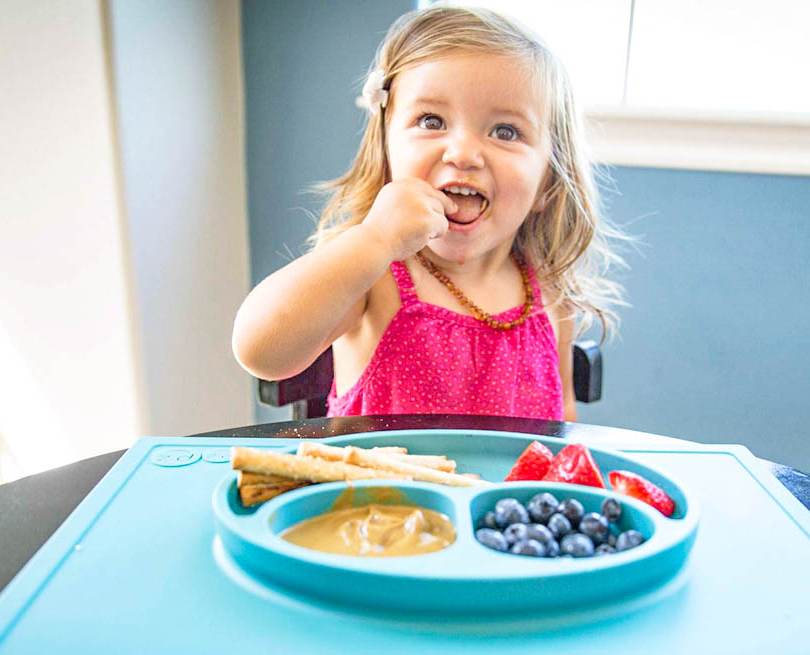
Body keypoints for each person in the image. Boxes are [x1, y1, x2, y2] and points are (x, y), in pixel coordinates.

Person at [232, 5, 625, 421]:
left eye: (505, 131)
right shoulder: (372, 275)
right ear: (385, 150)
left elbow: (562, 426)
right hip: (376, 469)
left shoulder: (549, 296)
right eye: (432, 121)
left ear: (548, 180)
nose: (463, 153)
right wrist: (374, 240)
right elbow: (260, 351)